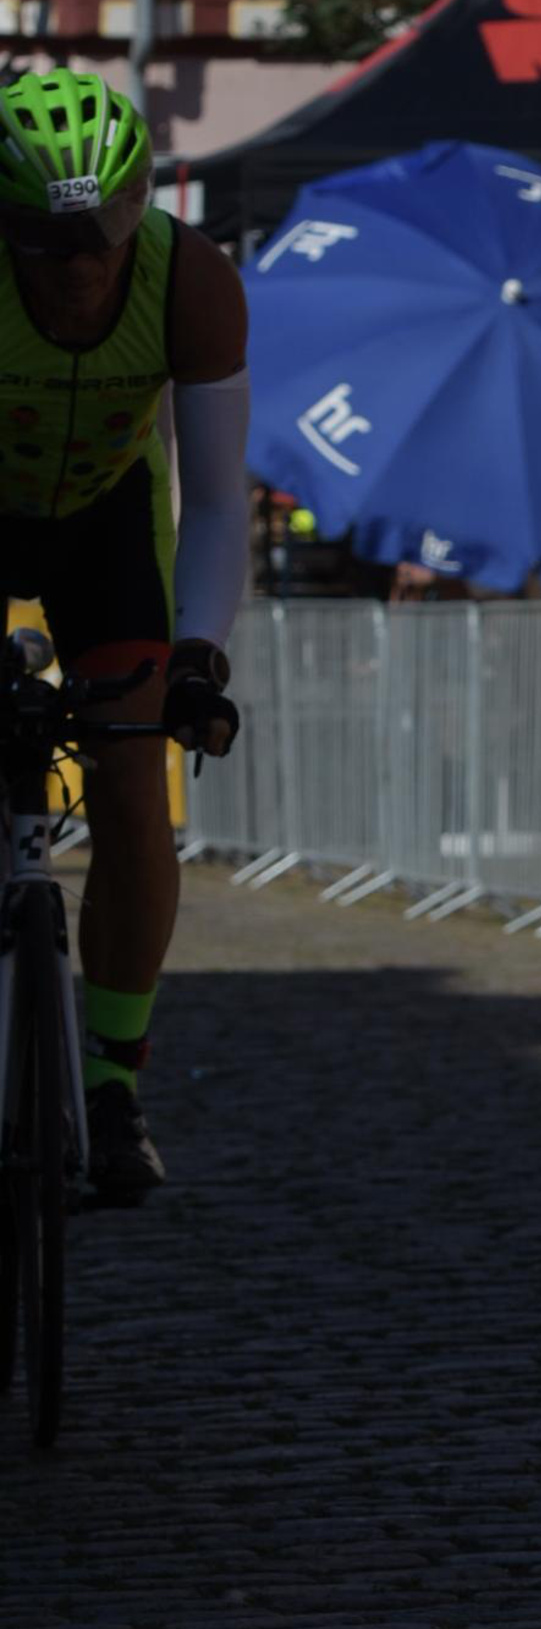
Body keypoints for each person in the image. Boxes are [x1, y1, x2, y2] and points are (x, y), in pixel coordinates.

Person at [0, 68, 248, 1202]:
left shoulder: (192, 280)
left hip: (108, 530)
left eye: (103, 235)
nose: (81, 267)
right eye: (48, 245)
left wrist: (199, 654)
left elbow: (218, 501)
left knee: (134, 784)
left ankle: (110, 1083)